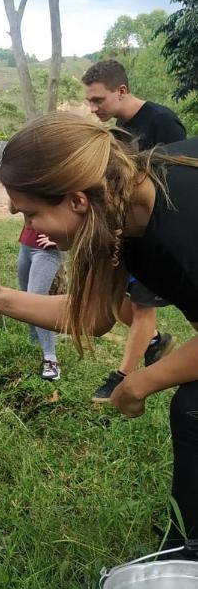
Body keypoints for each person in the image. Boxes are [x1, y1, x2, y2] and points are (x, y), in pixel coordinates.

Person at [0, 112, 198, 552]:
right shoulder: (115, 208)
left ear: (76, 201)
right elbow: (93, 316)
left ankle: (185, 557)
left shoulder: (180, 223)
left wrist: (138, 381)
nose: (29, 227)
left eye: (30, 213)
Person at [82, 59, 185, 402]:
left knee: (142, 307)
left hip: (155, 233)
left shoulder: (161, 122)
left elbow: (178, 182)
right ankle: (154, 341)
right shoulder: (116, 132)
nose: (93, 107)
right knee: (112, 301)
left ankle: (123, 376)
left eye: (98, 100)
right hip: (124, 233)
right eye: (90, 101)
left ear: (121, 91)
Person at [16, 225, 63, 381]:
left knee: (35, 302)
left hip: (47, 250)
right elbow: (13, 209)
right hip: (26, 244)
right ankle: (35, 342)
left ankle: (51, 359)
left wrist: (61, 239)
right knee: (27, 298)